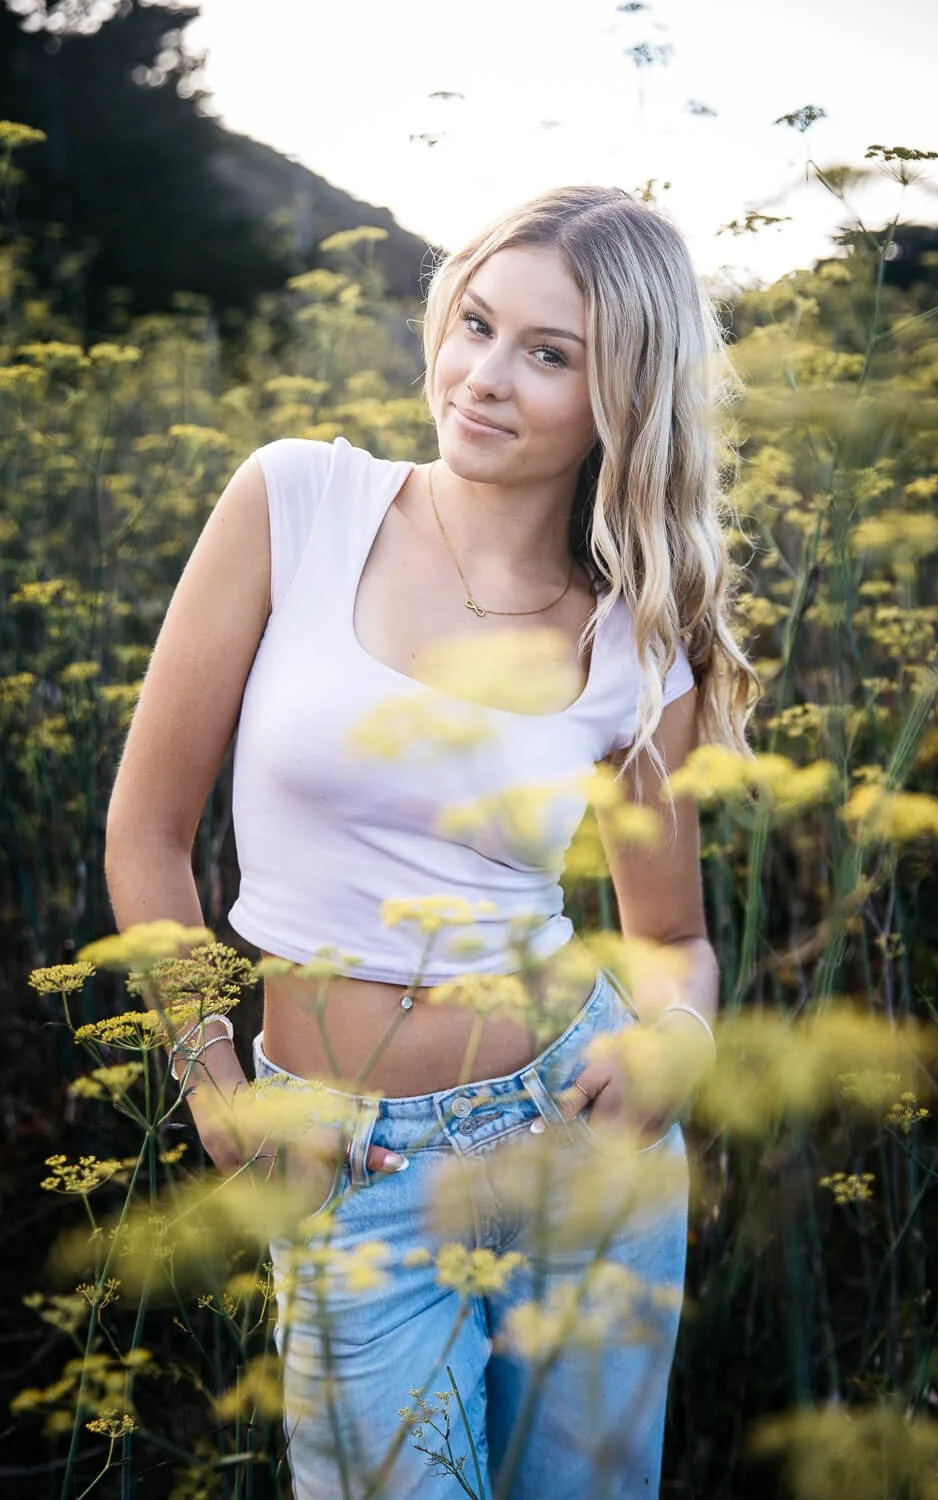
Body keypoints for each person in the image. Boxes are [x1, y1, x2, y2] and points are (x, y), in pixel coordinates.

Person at [104, 183, 757, 1499]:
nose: (482, 378)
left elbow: (672, 937)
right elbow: (146, 833)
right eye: (475, 324)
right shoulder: (299, 501)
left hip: (581, 1142)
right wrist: (213, 1083)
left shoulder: (637, 630)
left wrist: (677, 1044)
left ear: (622, 401)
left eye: (548, 354)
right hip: (357, 1164)